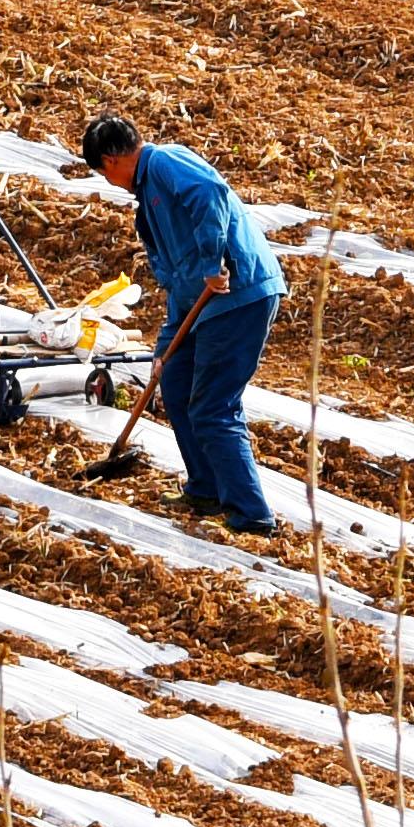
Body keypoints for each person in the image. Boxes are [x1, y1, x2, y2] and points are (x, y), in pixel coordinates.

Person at [81, 115, 285, 534]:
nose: (108, 181)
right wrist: (165, 346)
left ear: (110, 160)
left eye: (102, 172)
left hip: (237, 297)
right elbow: (179, 282)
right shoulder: (149, 203)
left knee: (213, 406)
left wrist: (214, 263)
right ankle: (206, 487)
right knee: (173, 382)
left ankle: (252, 516)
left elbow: (212, 194)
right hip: (202, 305)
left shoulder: (167, 163)